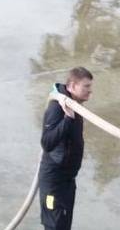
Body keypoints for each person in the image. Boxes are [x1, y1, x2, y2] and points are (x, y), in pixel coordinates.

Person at [39, 67, 94, 230]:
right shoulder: (57, 107)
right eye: (86, 86)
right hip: (54, 183)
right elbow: (47, 143)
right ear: (71, 86)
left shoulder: (74, 105)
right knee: (54, 225)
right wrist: (68, 119)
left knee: (63, 225)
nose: (90, 91)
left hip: (67, 180)